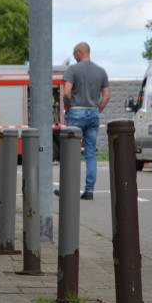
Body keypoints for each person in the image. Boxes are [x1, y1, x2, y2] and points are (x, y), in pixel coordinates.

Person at [58, 42, 110, 200]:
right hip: (93, 113)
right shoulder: (101, 71)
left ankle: (67, 189)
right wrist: (97, 109)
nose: (74, 57)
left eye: (74, 54)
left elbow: (66, 93)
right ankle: (89, 191)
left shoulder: (72, 70)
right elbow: (107, 96)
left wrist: (67, 108)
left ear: (80, 52)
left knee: (70, 152)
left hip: (76, 112)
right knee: (90, 154)